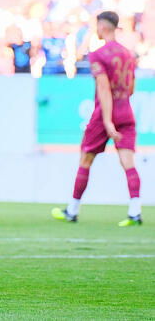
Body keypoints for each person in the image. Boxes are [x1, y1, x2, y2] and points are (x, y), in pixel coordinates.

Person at [52, 11, 142, 227]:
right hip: (126, 109)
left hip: (105, 114)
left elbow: (103, 88)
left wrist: (108, 121)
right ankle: (135, 211)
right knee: (128, 162)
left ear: (103, 26)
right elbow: (131, 86)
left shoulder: (98, 54)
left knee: (86, 159)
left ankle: (72, 210)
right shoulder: (128, 54)